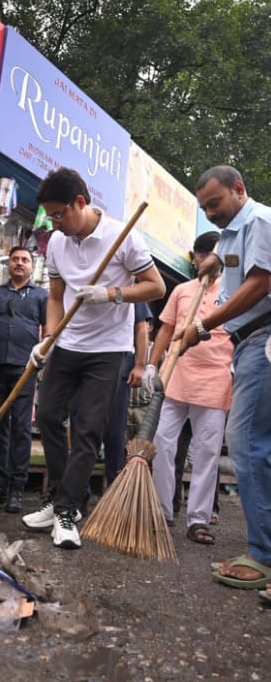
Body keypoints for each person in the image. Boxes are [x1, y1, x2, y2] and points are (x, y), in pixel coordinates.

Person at [22, 167, 165, 550]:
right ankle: (60, 498)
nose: (54, 222)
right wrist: (48, 339)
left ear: (80, 203)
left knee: (87, 430)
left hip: (108, 351)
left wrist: (112, 294)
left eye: (58, 214)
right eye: (49, 216)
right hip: (67, 345)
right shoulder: (56, 242)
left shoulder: (122, 236)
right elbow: (55, 298)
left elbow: (156, 286)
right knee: (49, 417)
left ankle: (67, 510)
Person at [178, 165, 271, 589]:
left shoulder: (261, 220)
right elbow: (236, 258)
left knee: (248, 444)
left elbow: (260, 282)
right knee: (258, 446)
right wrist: (217, 256)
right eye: (204, 209)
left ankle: (263, 555)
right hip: (250, 344)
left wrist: (204, 324)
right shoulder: (236, 233)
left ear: (239, 189)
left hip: (263, 336)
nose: (210, 213)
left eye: (215, 203)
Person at [144, 232, 229, 543]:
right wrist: (152, 364)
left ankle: (198, 520)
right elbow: (165, 329)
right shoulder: (181, 290)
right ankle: (163, 511)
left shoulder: (232, 292)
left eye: (211, 254)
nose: (205, 259)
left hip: (216, 380)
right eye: (200, 253)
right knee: (163, 443)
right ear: (195, 257)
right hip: (175, 376)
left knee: (206, 452)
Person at [0, 246, 47, 513]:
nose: (19, 263)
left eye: (25, 260)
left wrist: (43, 363)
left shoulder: (41, 296)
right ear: (9, 264)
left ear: (31, 266)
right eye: (15, 259)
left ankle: (17, 488)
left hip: (26, 368)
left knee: (21, 429)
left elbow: (48, 331)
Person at [100, 302, 151, 484]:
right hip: (87, 358)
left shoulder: (133, 290)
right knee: (83, 429)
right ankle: (78, 496)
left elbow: (141, 328)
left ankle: (115, 487)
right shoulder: (87, 284)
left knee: (115, 432)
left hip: (119, 363)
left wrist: (139, 365)